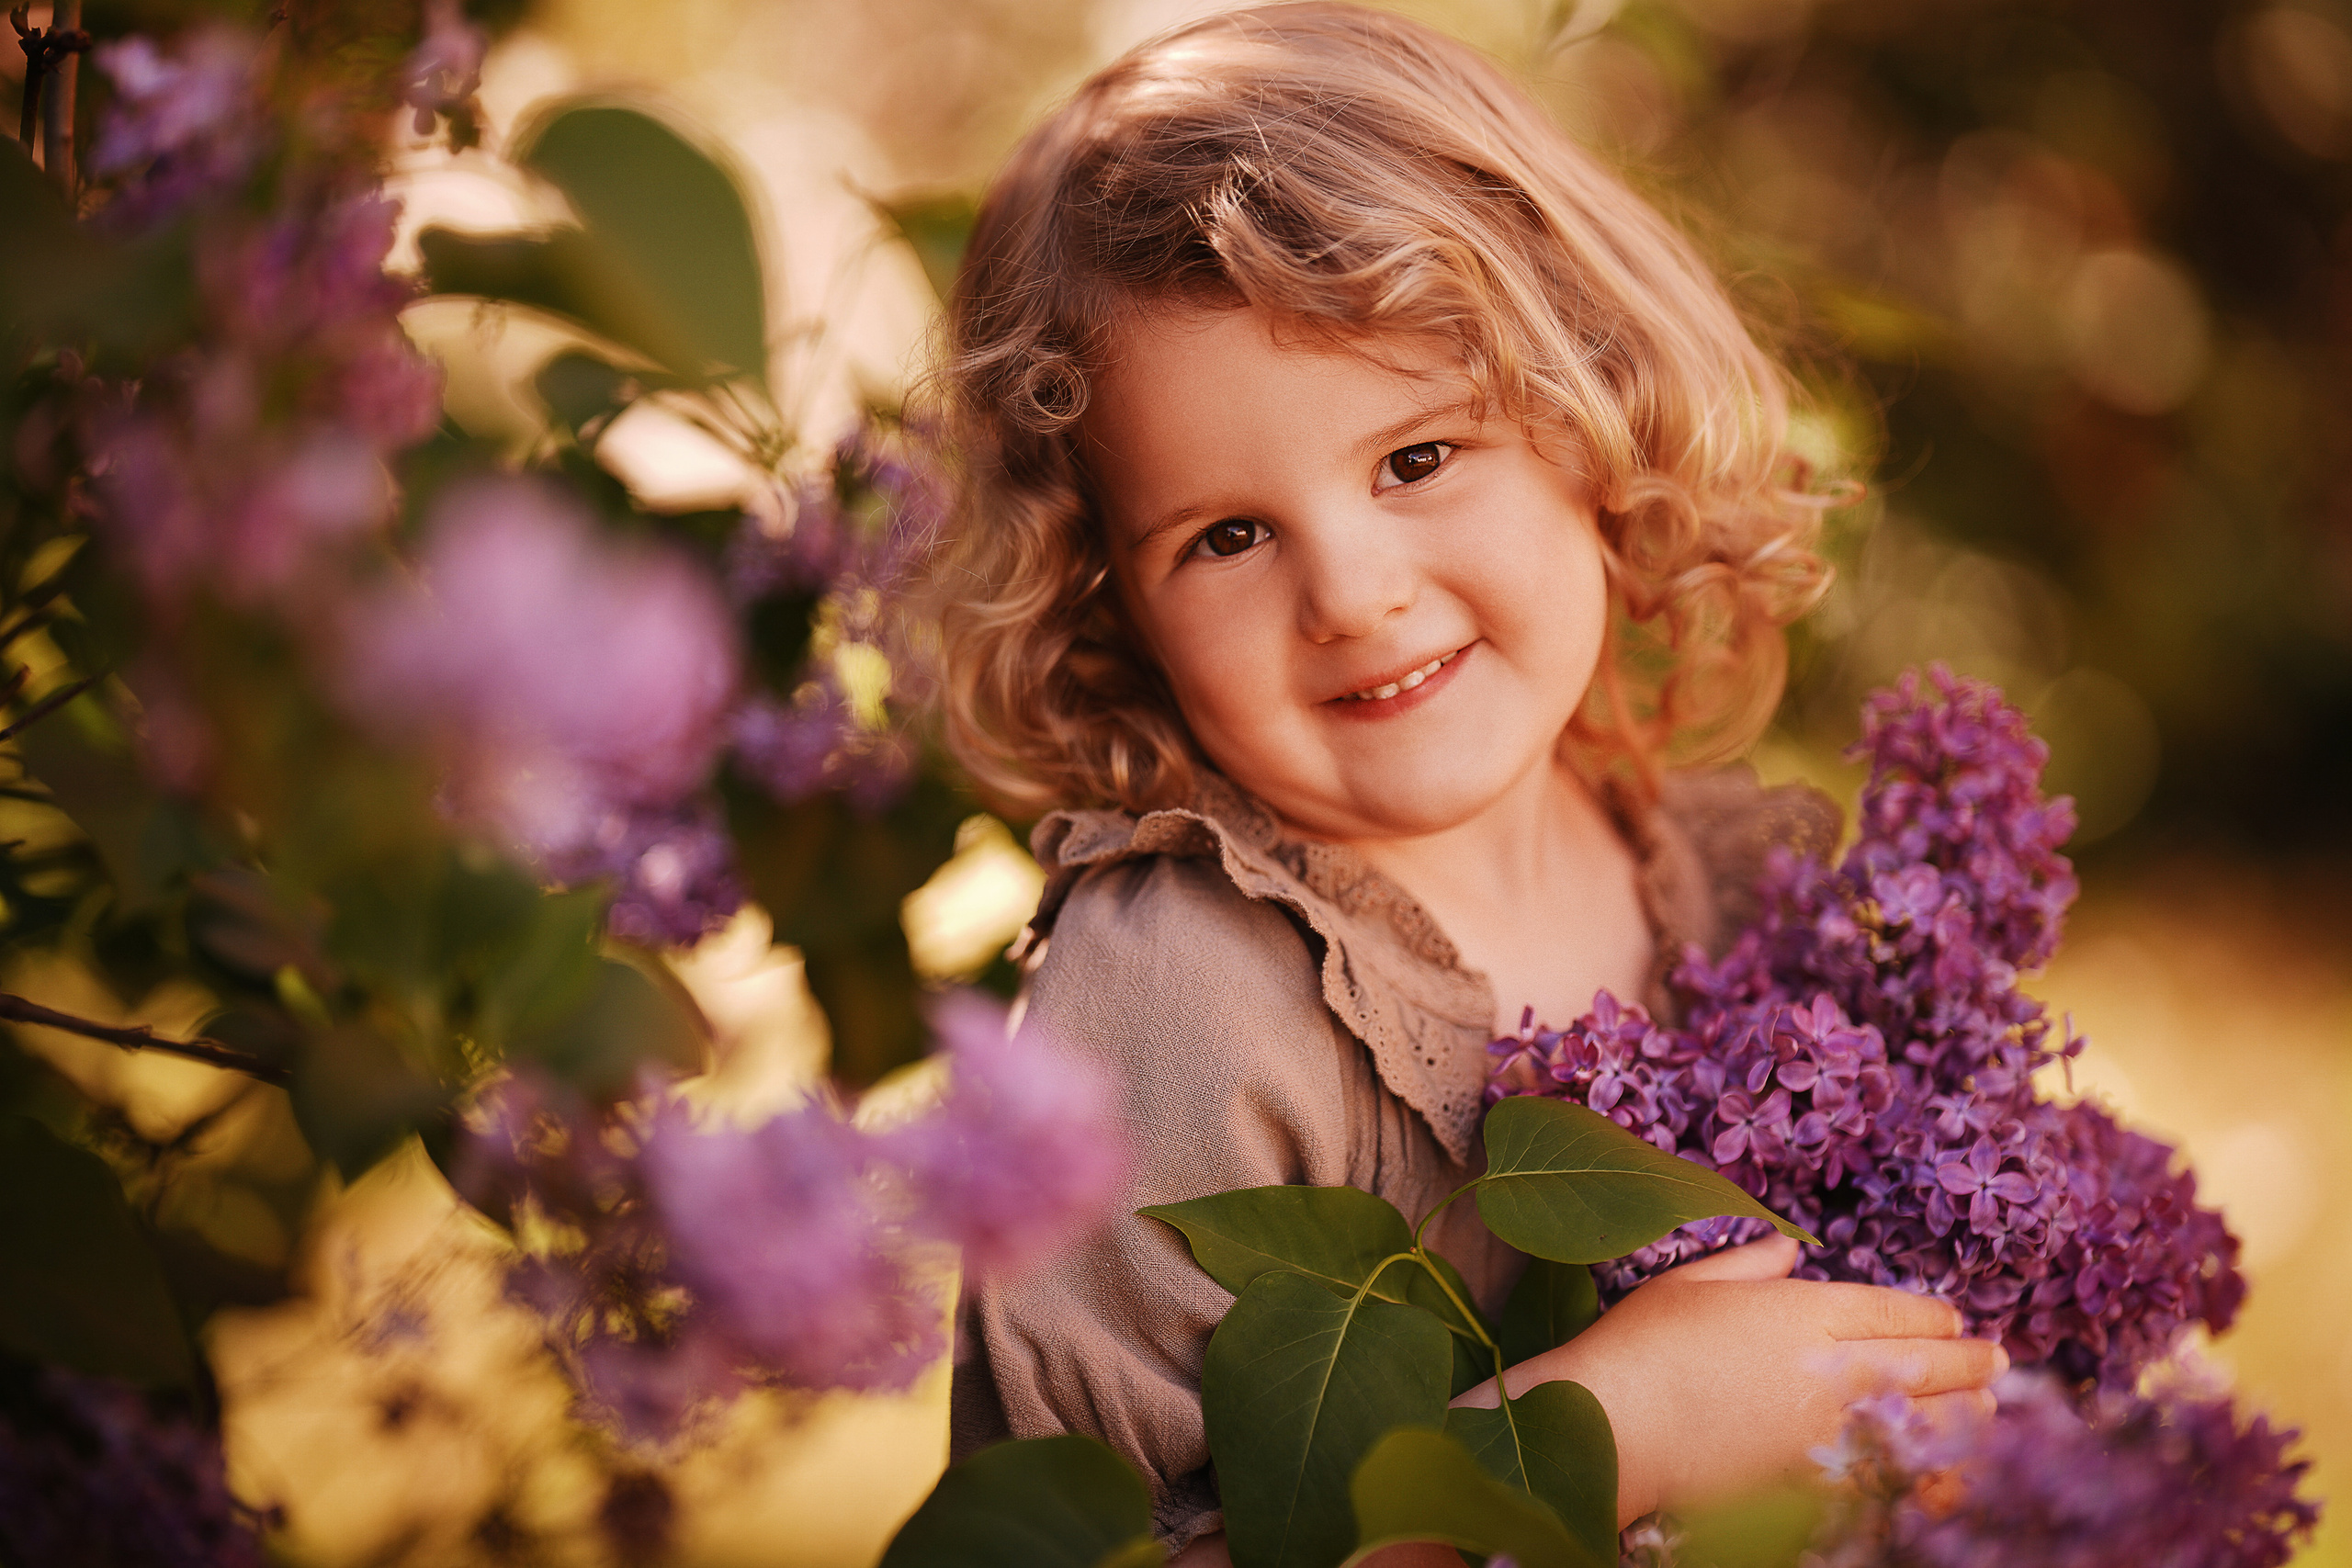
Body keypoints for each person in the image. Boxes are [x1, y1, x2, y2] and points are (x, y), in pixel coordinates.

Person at [927, 5, 2007, 1561]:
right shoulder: (1181, 1015)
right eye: (1226, 536)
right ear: (1117, 611)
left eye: (1418, 457)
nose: (1353, 593)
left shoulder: (1697, 860)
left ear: (1588, 414)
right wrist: (1619, 1433)